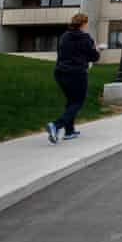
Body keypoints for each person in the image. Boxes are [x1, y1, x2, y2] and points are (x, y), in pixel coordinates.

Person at [46, 13, 101, 144]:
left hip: (60, 72)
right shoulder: (86, 38)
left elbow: (63, 53)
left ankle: (69, 131)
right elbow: (94, 57)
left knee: (71, 101)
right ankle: (56, 125)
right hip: (76, 73)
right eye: (86, 23)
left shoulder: (64, 36)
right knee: (78, 102)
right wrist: (96, 49)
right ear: (83, 24)